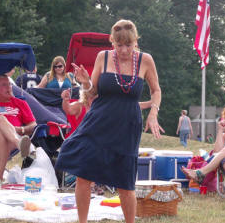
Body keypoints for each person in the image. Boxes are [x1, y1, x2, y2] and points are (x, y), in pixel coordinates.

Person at [56, 19, 164, 223]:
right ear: (112, 41)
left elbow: (156, 90)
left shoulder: (145, 60)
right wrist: (85, 81)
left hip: (127, 124)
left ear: (135, 42)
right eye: (119, 44)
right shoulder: (102, 57)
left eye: (128, 45)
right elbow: (92, 93)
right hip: (98, 120)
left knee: (125, 182)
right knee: (83, 172)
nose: (123, 50)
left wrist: (153, 112)